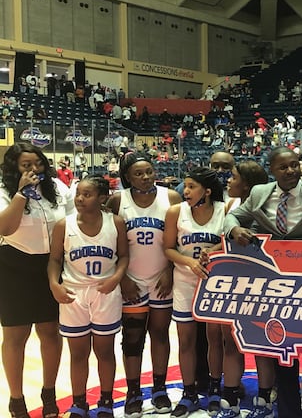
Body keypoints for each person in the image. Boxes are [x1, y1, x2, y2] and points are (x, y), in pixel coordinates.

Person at [225, 147, 302, 418]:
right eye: (284, 167)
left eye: (294, 165)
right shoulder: (259, 193)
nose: (291, 170)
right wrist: (234, 229)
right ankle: (289, 411)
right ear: (272, 170)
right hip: (275, 284)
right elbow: (234, 217)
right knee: (283, 351)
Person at [0, 142, 73, 418]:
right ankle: (16, 400)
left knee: (51, 333)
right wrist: (21, 193)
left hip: (51, 266)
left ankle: (49, 394)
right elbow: (5, 228)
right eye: (26, 165)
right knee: (16, 336)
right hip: (14, 266)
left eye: (38, 164)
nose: (34, 170)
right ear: (14, 168)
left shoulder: (56, 188)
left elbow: (70, 224)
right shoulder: (4, 191)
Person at [106, 153, 182, 416]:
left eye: (149, 171)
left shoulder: (170, 197)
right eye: (138, 173)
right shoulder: (118, 200)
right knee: (132, 338)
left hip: (162, 278)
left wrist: (171, 270)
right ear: (127, 177)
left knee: (160, 334)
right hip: (132, 281)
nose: (145, 176)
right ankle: (133, 392)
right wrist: (122, 276)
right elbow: (109, 242)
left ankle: (159, 389)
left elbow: (180, 240)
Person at [47, 175, 128, 418]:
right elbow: (54, 260)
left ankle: (106, 399)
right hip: (73, 293)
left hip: (106, 291)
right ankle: (79, 402)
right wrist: (54, 284)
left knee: (105, 351)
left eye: (87, 194)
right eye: (78, 193)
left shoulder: (116, 222)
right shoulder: (64, 224)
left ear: (103, 198)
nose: (80, 198)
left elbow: (123, 256)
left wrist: (116, 277)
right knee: (78, 354)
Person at [164, 167, 226, 417]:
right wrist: (189, 261)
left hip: (215, 282)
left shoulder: (225, 209)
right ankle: (189, 393)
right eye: (184, 186)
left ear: (207, 191)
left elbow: (232, 241)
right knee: (186, 340)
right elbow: (168, 248)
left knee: (214, 339)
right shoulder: (176, 212)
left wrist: (215, 249)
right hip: (185, 281)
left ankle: (214, 389)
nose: (185, 191)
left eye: (191, 186)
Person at [216, 160, 269, 417]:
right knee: (231, 342)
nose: (228, 180)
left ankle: (265, 398)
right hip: (235, 282)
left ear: (246, 184)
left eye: (233, 176)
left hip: (261, 283)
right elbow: (226, 246)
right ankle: (230, 396)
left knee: (261, 343)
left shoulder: (265, 209)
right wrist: (211, 252)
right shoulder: (231, 206)